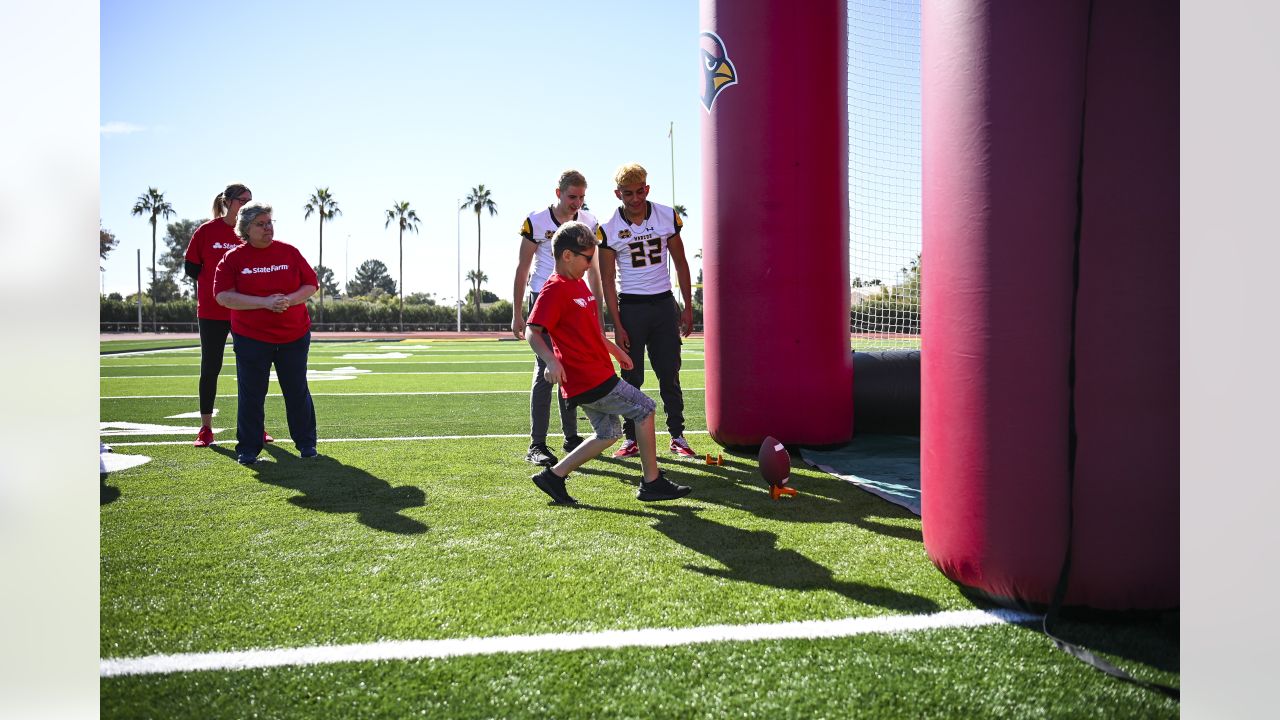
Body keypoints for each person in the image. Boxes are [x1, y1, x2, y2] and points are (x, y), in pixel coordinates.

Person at [526, 221, 692, 504]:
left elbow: (591, 331)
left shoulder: (577, 284)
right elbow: (533, 331)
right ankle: (652, 482)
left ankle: (554, 476)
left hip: (597, 372)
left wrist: (616, 351)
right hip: (587, 377)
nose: (590, 264)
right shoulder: (554, 289)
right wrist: (551, 361)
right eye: (587, 258)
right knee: (645, 409)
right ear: (567, 255)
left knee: (608, 433)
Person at [596, 163, 697, 459]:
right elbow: (607, 280)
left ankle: (677, 435)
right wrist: (617, 323)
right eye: (628, 193)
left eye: (640, 191)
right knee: (631, 377)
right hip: (632, 307)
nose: (636, 199)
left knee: (670, 373)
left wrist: (687, 307)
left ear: (647, 189)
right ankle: (632, 439)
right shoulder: (609, 228)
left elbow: (681, 263)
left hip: (664, 304)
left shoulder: (666, 215)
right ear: (618, 194)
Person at [212, 202, 319, 465]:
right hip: (251, 337)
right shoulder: (233, 259)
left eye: (269, 222)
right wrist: (264, 302)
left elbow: (311, 284)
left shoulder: (289, 253)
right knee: (252, 394)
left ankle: (307, 444)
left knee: (296, 389)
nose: (267, 228)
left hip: (293, 335)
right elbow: (223, 296)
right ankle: (248, 448)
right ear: (246, 229)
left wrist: (290, 300)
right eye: (260, 224)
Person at [511, 169, 605, 468]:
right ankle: (537, 443)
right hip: (546, 296)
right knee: (545, 369)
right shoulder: (537, 220)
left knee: (572, 367)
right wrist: (517, 313)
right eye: (571, 196)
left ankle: (571, 436)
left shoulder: (589, 222)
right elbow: (522, 267)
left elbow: (594, 271)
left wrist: (598, 309)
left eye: (581, 197)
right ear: (558, 193)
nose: (576, 203)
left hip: (575, 300)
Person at [184, 183, 274, 448]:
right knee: (210, 368)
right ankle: (206, 428)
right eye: (242, 200)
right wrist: (218, 284)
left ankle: (256, 428)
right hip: (212, 312)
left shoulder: (251, 232)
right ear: (228, 201)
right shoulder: (206, 231)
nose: (247, 203)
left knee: (251, 370)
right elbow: (191, 267)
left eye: (250, 200)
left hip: (245, 311)